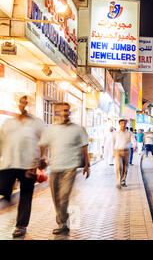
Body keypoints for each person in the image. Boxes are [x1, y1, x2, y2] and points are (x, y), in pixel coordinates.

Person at [39, 102, 90, 235]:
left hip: (70, 167)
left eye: (67, 110)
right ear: (56, 113)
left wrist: (87, 165)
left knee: (64, 196)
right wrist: (42, 158)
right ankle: (62, 221)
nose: (65, 113)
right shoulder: (50, 129)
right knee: (56, 197)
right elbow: (43, 145)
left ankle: (62, 224)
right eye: (62, 111)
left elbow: (84, 146)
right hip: (55, 167)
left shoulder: (78, 129)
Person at [0, 94, 45, 238]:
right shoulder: (8, 123)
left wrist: (40, 160)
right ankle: (7, 197)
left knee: (26, 195)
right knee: (3, 188)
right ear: (18, 104)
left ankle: (21, 225)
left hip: (28, 164)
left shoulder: (37, 123)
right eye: (22, 102)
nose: (24, 105)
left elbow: (44, 142)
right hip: (9, 163)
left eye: (27, 102)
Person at [111, 119, 136, 189]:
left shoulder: (129, 133)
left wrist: (134, 145)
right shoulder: (116, 133)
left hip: (126, 151)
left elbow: (133, 140)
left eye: (124, 123)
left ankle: (123, 181)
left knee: (125, 167)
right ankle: (118, 181)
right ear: (119, 124)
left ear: (126, 124)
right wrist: (112, 152)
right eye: (122, 123)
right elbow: (112, 142)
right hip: (117, 151)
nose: (123, 124)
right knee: (118, 166)